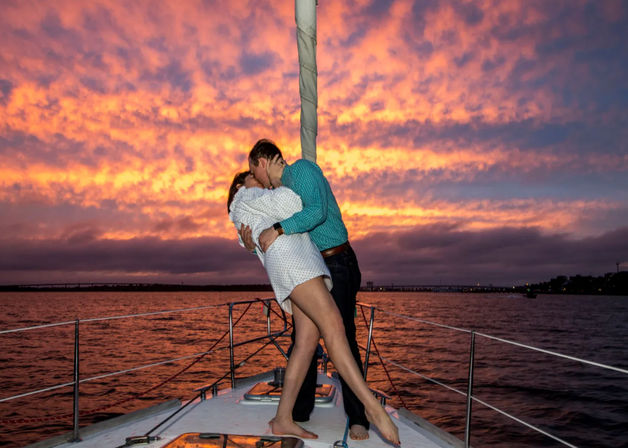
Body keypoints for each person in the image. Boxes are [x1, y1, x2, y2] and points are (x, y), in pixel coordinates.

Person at [228, 171, 400, 446]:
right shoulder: (247, 195)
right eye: (251, 177)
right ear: (239, 186)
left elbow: (252, 238)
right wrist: (286, 183)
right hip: (295, 265)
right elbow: (295, 204)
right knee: (333, 326)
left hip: (296, 265)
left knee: (306, 343)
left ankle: (283, 417)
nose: (258, 180)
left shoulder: (251, 203)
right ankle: (373, 409)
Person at [242, 139, 370, 441]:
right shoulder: (280, 196)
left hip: (337, 260)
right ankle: (296, 413)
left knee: (343, 336)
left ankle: (359, 417)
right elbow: (274, 245)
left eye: (252, 172)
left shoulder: (302, 170)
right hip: (312, 270)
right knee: (302, 339)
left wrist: (278, 228)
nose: (255, 181)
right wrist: (252, 243)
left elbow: (317, 212)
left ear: (261, 163)